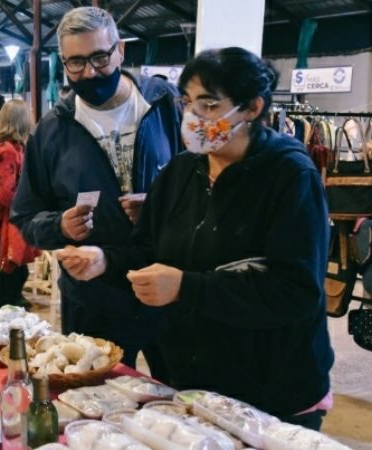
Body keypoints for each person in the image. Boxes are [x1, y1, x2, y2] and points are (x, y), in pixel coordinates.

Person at [58, 47, 334, 430]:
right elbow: (148, 249)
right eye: (188, 103)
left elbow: (295, 290)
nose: (193, 117)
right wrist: (104, 260)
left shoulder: (289, 176)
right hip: (191, 383)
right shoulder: (181, 171)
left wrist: (187, 287)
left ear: (252, 107)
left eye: (209, 104)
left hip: (271, 390)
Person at [10, 6, 181, 378]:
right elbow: (24, 216)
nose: (89, 72)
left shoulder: (165, 105)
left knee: (182, 404)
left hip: (168, 287)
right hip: (94, 298)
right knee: (97, 409)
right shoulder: (51, 130)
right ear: (63, 63)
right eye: (76, 63)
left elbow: (202, 187)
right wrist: (61, 228)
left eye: (100, 58)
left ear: (120, 50)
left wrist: (159, 207)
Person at [0, 99, 39, 308]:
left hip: (2, 219)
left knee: (12, 271)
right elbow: (5, 194)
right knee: (9, 272)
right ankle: (5, 315)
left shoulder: (11, 147)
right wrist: (30, 203)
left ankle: (11, 307)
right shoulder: (7, 151)